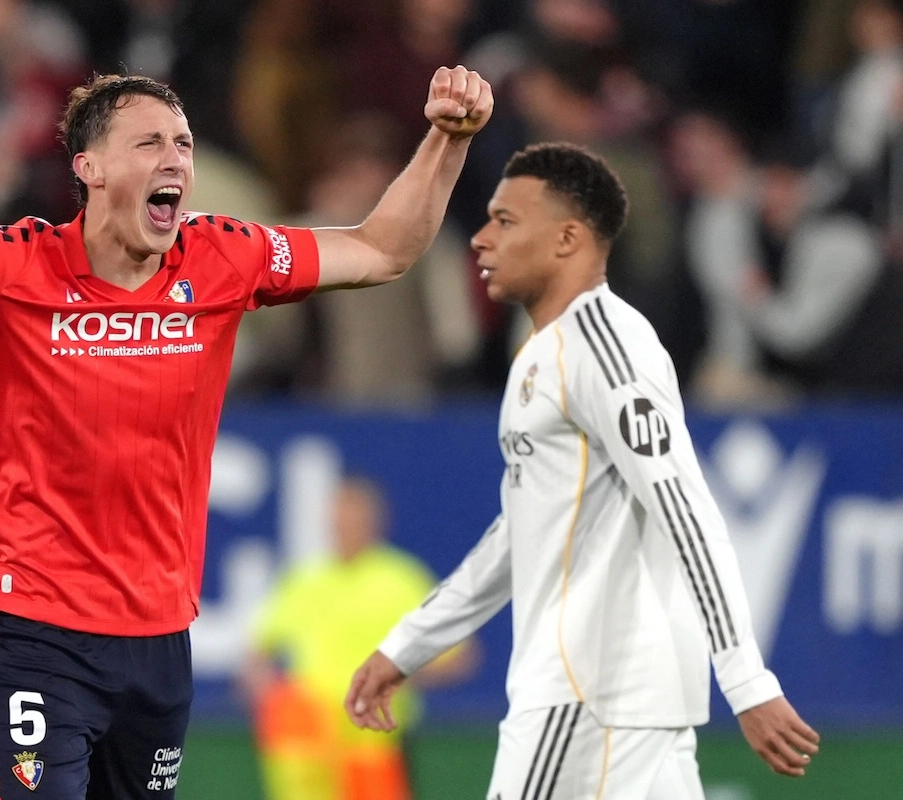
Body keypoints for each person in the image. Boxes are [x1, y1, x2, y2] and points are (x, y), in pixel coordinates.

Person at [0, 31, 492, 800]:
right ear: (88, 168)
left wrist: (446, 142)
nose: (176, 159)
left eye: (183, 143)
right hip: (31, 636)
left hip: (158, 645)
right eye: (149, 141)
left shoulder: (223, 259)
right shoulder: (5, 265)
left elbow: (382, 251)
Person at [344, 143, 820, 799]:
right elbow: (519, 533)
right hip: (620, 702)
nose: (481, 239)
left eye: (506, 221)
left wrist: (747, 680)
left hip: (587, 694)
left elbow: (685, 510)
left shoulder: (604, 346)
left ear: (568, 238)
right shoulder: (544, 353)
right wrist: (410, 645)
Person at [241, 476, 476, 800]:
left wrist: (397, 678)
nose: (346, 525)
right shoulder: (304, 579)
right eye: (339, 516)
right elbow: (257, 654)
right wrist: (272, 700)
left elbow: (461, 656)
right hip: (313, 747)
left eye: (355, 516)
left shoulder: (401, 579)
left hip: (378, 741)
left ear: (375, 521)